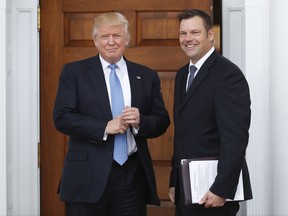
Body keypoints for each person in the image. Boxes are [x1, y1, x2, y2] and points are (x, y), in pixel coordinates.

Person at [53, 12, 170, 216]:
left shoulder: (146, 75)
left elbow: (162, 121)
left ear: (127, 39)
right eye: (104, 36)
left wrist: (141, 121)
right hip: (86, 177)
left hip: (131, 177)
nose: (111, 42)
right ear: (95, 40)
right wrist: (104, 127)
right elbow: (62, 117)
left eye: (116, 36)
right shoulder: (74, 73)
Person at [168, 9, 252, 216]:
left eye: (195, 32)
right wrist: (175, 180)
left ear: (210, 35)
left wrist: (221, 188)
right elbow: (182, 134)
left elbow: (235, 138)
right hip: (187, 189)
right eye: (183, 33)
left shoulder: (228, 75)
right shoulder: (181, 75)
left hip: (214, 192)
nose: (188, 39)